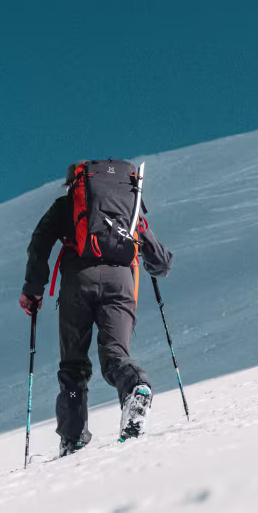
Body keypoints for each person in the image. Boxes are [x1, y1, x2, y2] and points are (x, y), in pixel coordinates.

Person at [19, 160, 173, 454]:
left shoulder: (66, 206)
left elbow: (40, 241)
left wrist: (33, 290)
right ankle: (135, 387)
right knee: (115, 353)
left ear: (75, 184)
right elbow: (161, 261)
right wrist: (155, 265)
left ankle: (73, 438)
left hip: (78, 281)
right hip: (121, 282)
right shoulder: (129, 208)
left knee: (73, 364)